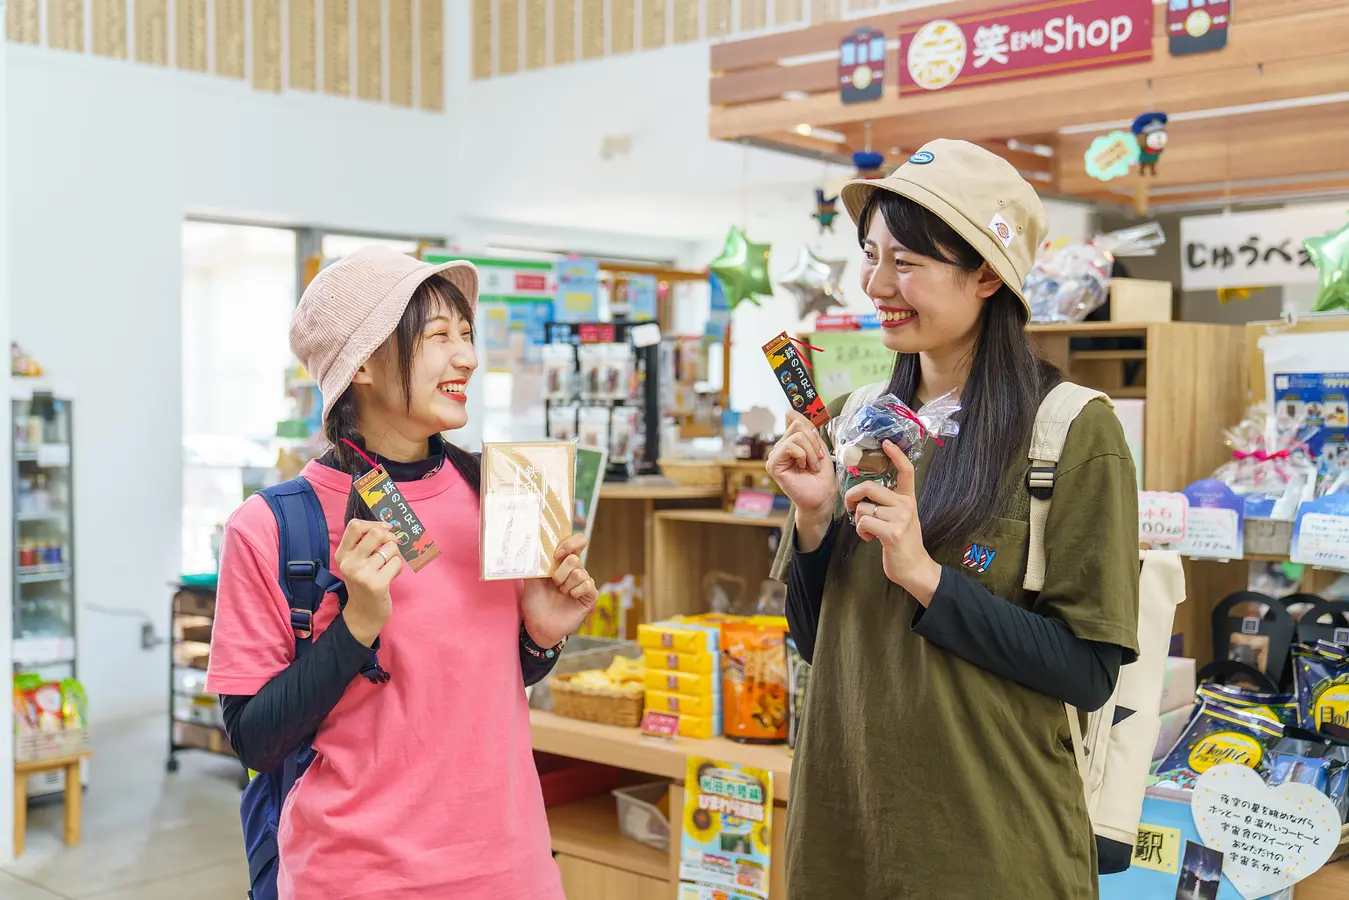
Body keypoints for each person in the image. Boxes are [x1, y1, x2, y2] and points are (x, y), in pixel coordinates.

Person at [766, 140, 1140, 899]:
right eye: (871, 256)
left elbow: (1087, 672)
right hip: (844, 831)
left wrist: (926, 577)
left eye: (905, 262)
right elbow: (818, 640)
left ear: (985, 274)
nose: (875, 284)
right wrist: (811, 527)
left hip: (988, 850)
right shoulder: (852, 422)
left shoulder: (1069, 430)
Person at [206, 247, 597, 899]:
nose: (466, 358)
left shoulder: (503, 491)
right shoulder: (271, 527)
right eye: (438, 336)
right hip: (357, 877)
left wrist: (539, 639)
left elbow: (460, 685)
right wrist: (356, 624)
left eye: (466, 335)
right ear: (360, 364)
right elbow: (254, 740)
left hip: (512, 869)